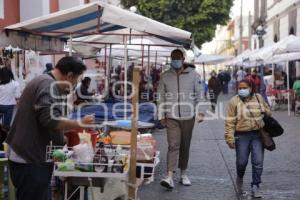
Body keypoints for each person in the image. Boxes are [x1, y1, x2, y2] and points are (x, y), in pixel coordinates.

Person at [6, 56, 95, 200]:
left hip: (32, 157)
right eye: (76, 81)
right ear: (69, 75)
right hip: (29, 159)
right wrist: (79, 123)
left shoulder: (46, 82)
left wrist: (62, 136)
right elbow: (50, 119)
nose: (74, 86)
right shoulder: (48, 85)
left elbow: (46, 118)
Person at [157, 49, 205, 189]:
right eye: (173, 58)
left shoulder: (194, 75)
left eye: (178, 57)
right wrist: (161, 115)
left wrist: (201, 111)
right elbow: (160, 97)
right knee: (173, 145)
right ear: (170, 59)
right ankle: (169, 176)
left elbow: (199, 94)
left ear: (183, 59)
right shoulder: (165, 76)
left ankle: (183, 173)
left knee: (185, 145)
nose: (175, 60)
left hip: (188, 116)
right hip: (171, 117)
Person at [225, 79, 271, 198]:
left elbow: (268, 112)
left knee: (258, 162)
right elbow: (230, 121)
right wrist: (229, 138)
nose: (242, 90)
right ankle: (240, 176)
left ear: (250, 88)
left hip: (258, 135)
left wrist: (264, 110)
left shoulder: (258, 97)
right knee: (242, 162)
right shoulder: (233, 101)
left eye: (244, 87)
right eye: (239, 88)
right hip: (241, 135)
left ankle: (255, 186)